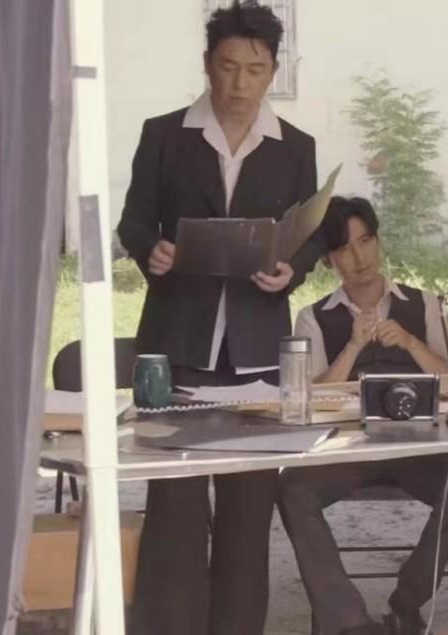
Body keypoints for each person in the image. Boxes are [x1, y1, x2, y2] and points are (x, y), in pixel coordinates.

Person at [115, 3, 319, 633]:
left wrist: (292, 269)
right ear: (207, 65)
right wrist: (152, 250)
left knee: (247, 511)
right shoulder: (164, 134)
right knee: (175, 506)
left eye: (254, 70)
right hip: (179, 345)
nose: (239, 83)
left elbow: (309, 237)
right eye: (228, 67)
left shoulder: (295, 148)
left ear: (273, 71)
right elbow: (134, 220)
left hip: (258, 351)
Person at [279, 197, 448, 635]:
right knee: (293, 490)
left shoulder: (424, 304)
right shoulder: (314, 317)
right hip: (346, 450)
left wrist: (411, 343)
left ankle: (407, 603)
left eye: (366, 241)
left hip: (419, 446)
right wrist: (352, 347)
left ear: (378, 241)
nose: (360, 257)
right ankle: (349, 622)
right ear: (329, 259)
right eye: (345, 248)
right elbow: (308, 400)